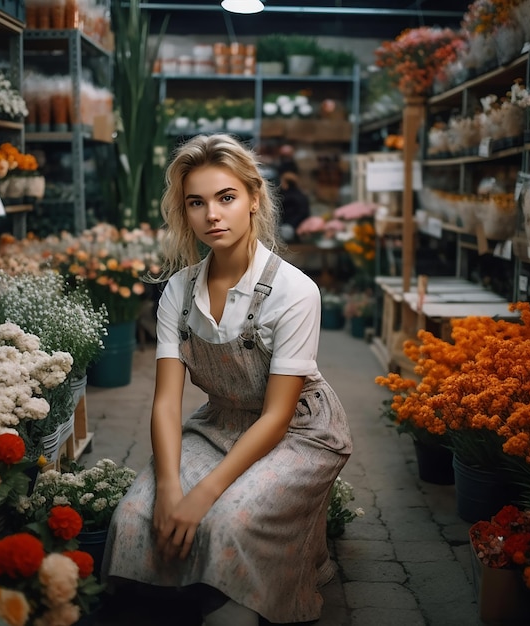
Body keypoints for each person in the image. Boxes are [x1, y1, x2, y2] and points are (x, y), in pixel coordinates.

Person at [101, 133, 352, 625]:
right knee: (133, 519)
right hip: (220, 421)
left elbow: (277, 416)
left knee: (227, 523)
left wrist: (202, 494)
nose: (212, 215)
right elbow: (166, 403)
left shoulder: (295, 291)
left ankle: (269, 583)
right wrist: (171, 487)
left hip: (299, 431)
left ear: (254, 199)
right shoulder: (178, 288)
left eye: (226, 198)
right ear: (185, 211)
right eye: (197, 202)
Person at [276, 160, 311, 243]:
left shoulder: (299, 196)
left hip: (293, 229)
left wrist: (292, 225)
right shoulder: (279, 193)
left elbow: (303, 213)